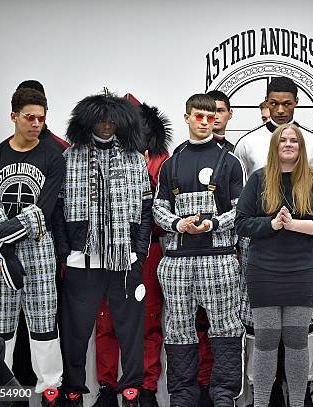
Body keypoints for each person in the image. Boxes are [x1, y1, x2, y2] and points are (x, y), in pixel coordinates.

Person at [234, 76, 313, 406]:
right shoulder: (260, 178)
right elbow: (242, 223)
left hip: (303, 269)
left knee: (295, 339)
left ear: (301, 146)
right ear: (275, 147)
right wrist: (273, 224)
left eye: (294, 140)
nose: (288, 144)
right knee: (264, 339)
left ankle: (297, 401)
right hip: (263, 269)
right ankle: (261, 402)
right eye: (282, 141)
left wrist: (298, 225)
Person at [55, 91, 152, 407]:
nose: (107, 125)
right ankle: (72, 393)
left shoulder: (135, 158)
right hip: (82, 258)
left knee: (131, 331)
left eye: (112, 119)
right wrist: (66, 249)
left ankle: (132, 392)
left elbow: (146, 208)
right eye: (101, 119)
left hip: (125, 259)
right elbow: (57, 209)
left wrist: (139, 250)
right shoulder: (70, 158)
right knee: (75, 330)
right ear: (89, 122)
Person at [153, 94, 244, 407]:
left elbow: (241, 211)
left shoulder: (231, 162)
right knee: (178, 331)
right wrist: (179, 224)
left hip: (219, 259)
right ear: (187, 117)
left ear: (217, 118)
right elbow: (158, 208)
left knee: (226, 328)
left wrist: (212, 224)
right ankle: (182, 397)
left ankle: (224, 397)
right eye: (199, 117)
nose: (205, 122)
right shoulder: (171, 164)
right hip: (177, 263)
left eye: (211, 117)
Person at [0, 87, 65, 406]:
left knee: (44, 325)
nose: (36, 123)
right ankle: (5, 394)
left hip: (38, 251)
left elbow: (42, 210)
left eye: (42, 118)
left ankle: (49, 391)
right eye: (29, 117)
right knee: (1, 329)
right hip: (1, 257)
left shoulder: (53, 156)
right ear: (13, 116)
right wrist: (5, 249)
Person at [92, 93, 172, 407]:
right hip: (105, 250)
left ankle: (144, 388)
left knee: (149, 320)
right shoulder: (95, 155)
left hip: (147, 250)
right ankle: (108, 388)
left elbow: (161, 209)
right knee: (106, 319)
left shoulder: (159, 159)